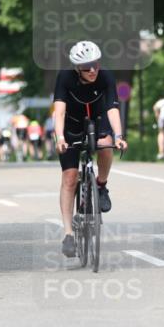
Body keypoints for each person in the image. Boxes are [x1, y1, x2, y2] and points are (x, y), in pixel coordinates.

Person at [53, 40, 128, 257]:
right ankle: (68, 234)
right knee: (69, 177)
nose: (93, 70)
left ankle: (101, 185)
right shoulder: (65, 77)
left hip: (98, 117)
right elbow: (58, 112)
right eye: (87, 67)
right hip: (71, 124)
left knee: (106, 145)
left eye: (95, 64)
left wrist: (119, 136)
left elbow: (113, 109)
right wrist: (59, 137)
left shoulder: (106, 75)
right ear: (77, 68)